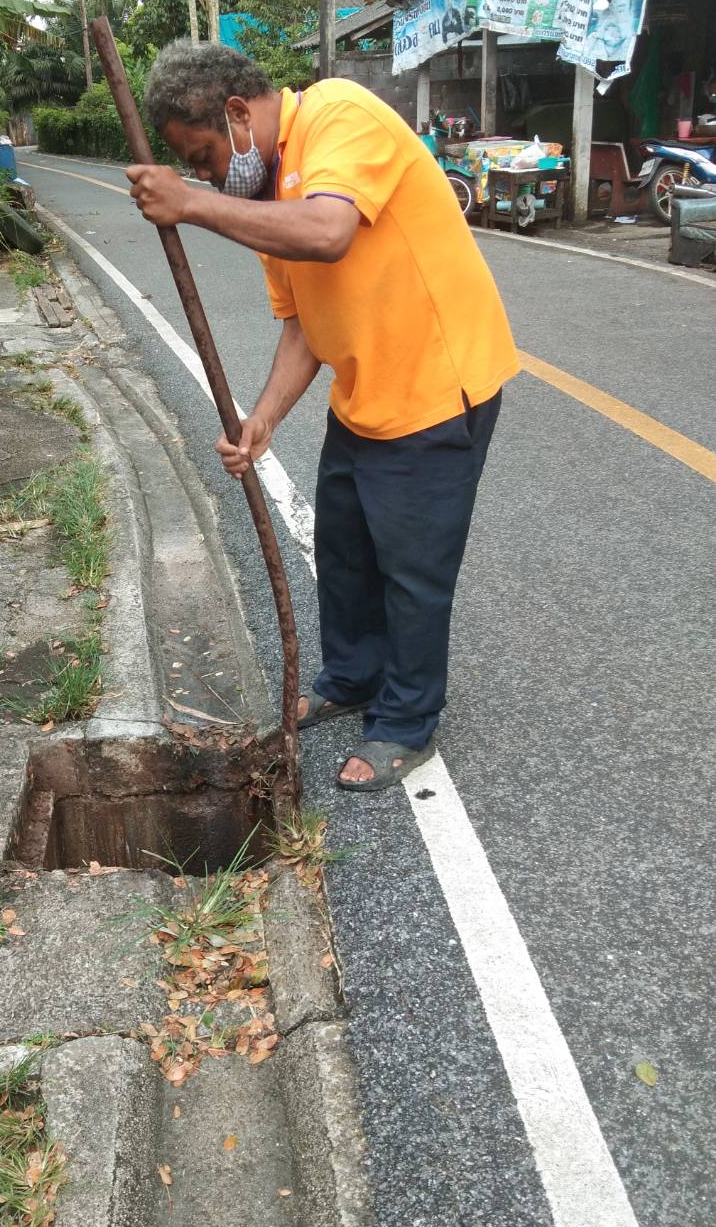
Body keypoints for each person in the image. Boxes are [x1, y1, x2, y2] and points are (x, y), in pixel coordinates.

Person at [127, 41, 519, 791]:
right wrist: (261, 418)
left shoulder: (340, 113)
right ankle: (353, 676)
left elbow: (329, 232)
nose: (206, 174)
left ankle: (406, 722)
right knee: (343, 550)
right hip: (366, 392)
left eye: (203, 154)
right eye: (195, 168)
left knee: (411, 569)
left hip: (437, 388)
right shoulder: (270, 195)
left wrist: (192, 203)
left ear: (239, 112)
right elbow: (303, 324)